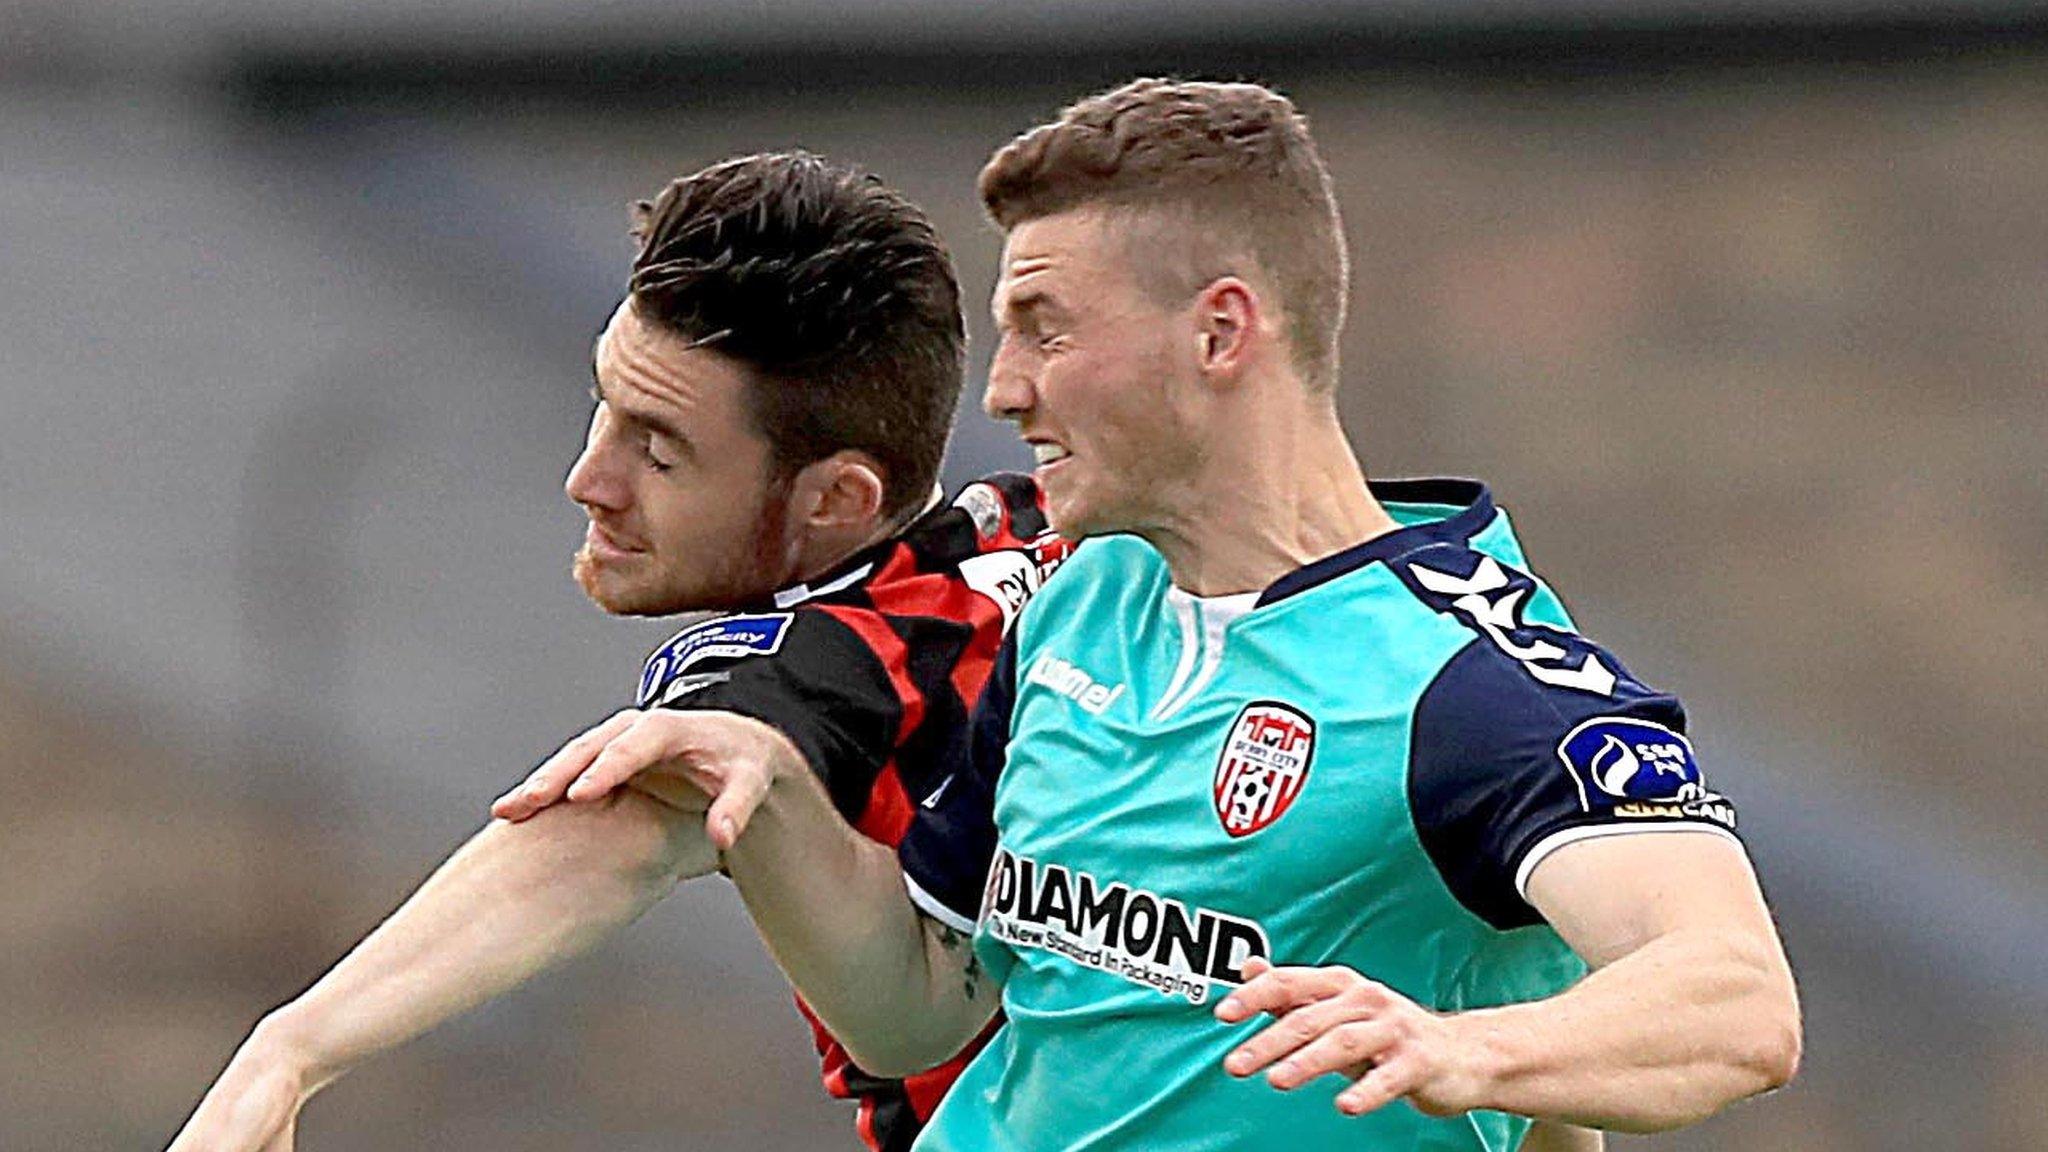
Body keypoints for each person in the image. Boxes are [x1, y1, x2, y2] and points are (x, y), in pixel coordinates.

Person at [510, 79, 1802, 1151]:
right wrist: (773, 793)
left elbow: (1739, 1000)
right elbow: (918, 1008)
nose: (1005, 389)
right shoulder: (1081, 604)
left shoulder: (1464, 682)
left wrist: (1463, 1047)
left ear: (1221, 332)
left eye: (1044, 327)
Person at [166, 151, 1069, 1152]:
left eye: (659, 449)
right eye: (608, 405)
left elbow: (631, 813)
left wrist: (293, 1050)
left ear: (835, 501)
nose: (588, 480)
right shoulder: (1071, 534)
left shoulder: (823, 662)